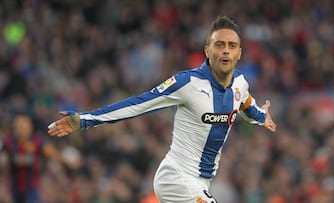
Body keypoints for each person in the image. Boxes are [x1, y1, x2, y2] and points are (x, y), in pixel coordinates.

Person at [48, 16, 277, 203]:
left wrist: (260, 117)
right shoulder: (186, 83)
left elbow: (246, 103)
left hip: (201, 182)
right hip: (174, 179)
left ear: (239, 53)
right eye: (219, 45)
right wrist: (86, 119)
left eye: (232, 46)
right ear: (207, 51)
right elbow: (139, 103)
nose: (226, 51)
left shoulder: (240, 83)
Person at [1, 113, 73, 203]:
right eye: (18, 127)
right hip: (14, 188)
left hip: (31, 188)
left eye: (23, 126)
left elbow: (52, 153)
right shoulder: (9, 142)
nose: (20, 129)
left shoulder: (37, 141)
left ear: (30, 128)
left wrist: (67, 162)